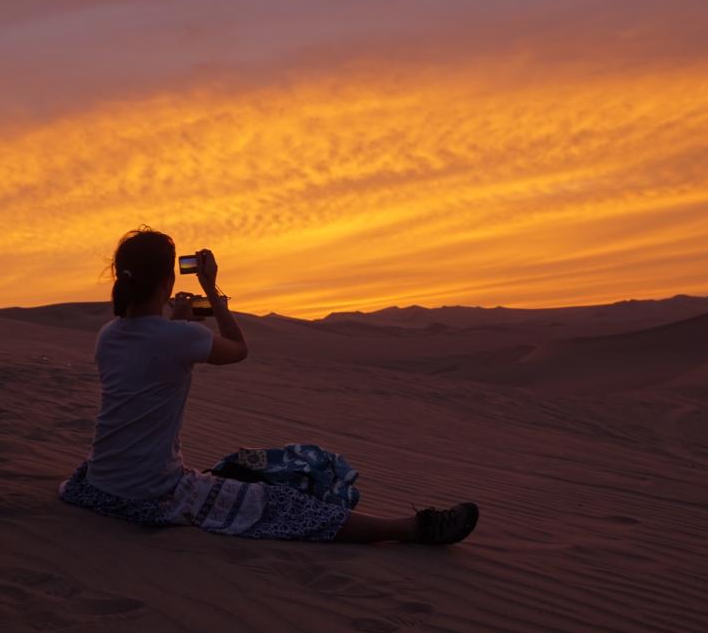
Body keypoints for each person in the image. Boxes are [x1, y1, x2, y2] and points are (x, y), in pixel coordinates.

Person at [57, 227, 478, 544]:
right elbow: (238, 349)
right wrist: (212, 292)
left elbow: (149, 355)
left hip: (100, 483)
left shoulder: (109, 335)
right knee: (282, 506)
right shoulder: (178, 338)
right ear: (166, 282)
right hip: (149, 493)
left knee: (237, 470)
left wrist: (178, 323)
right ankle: (411, 529)